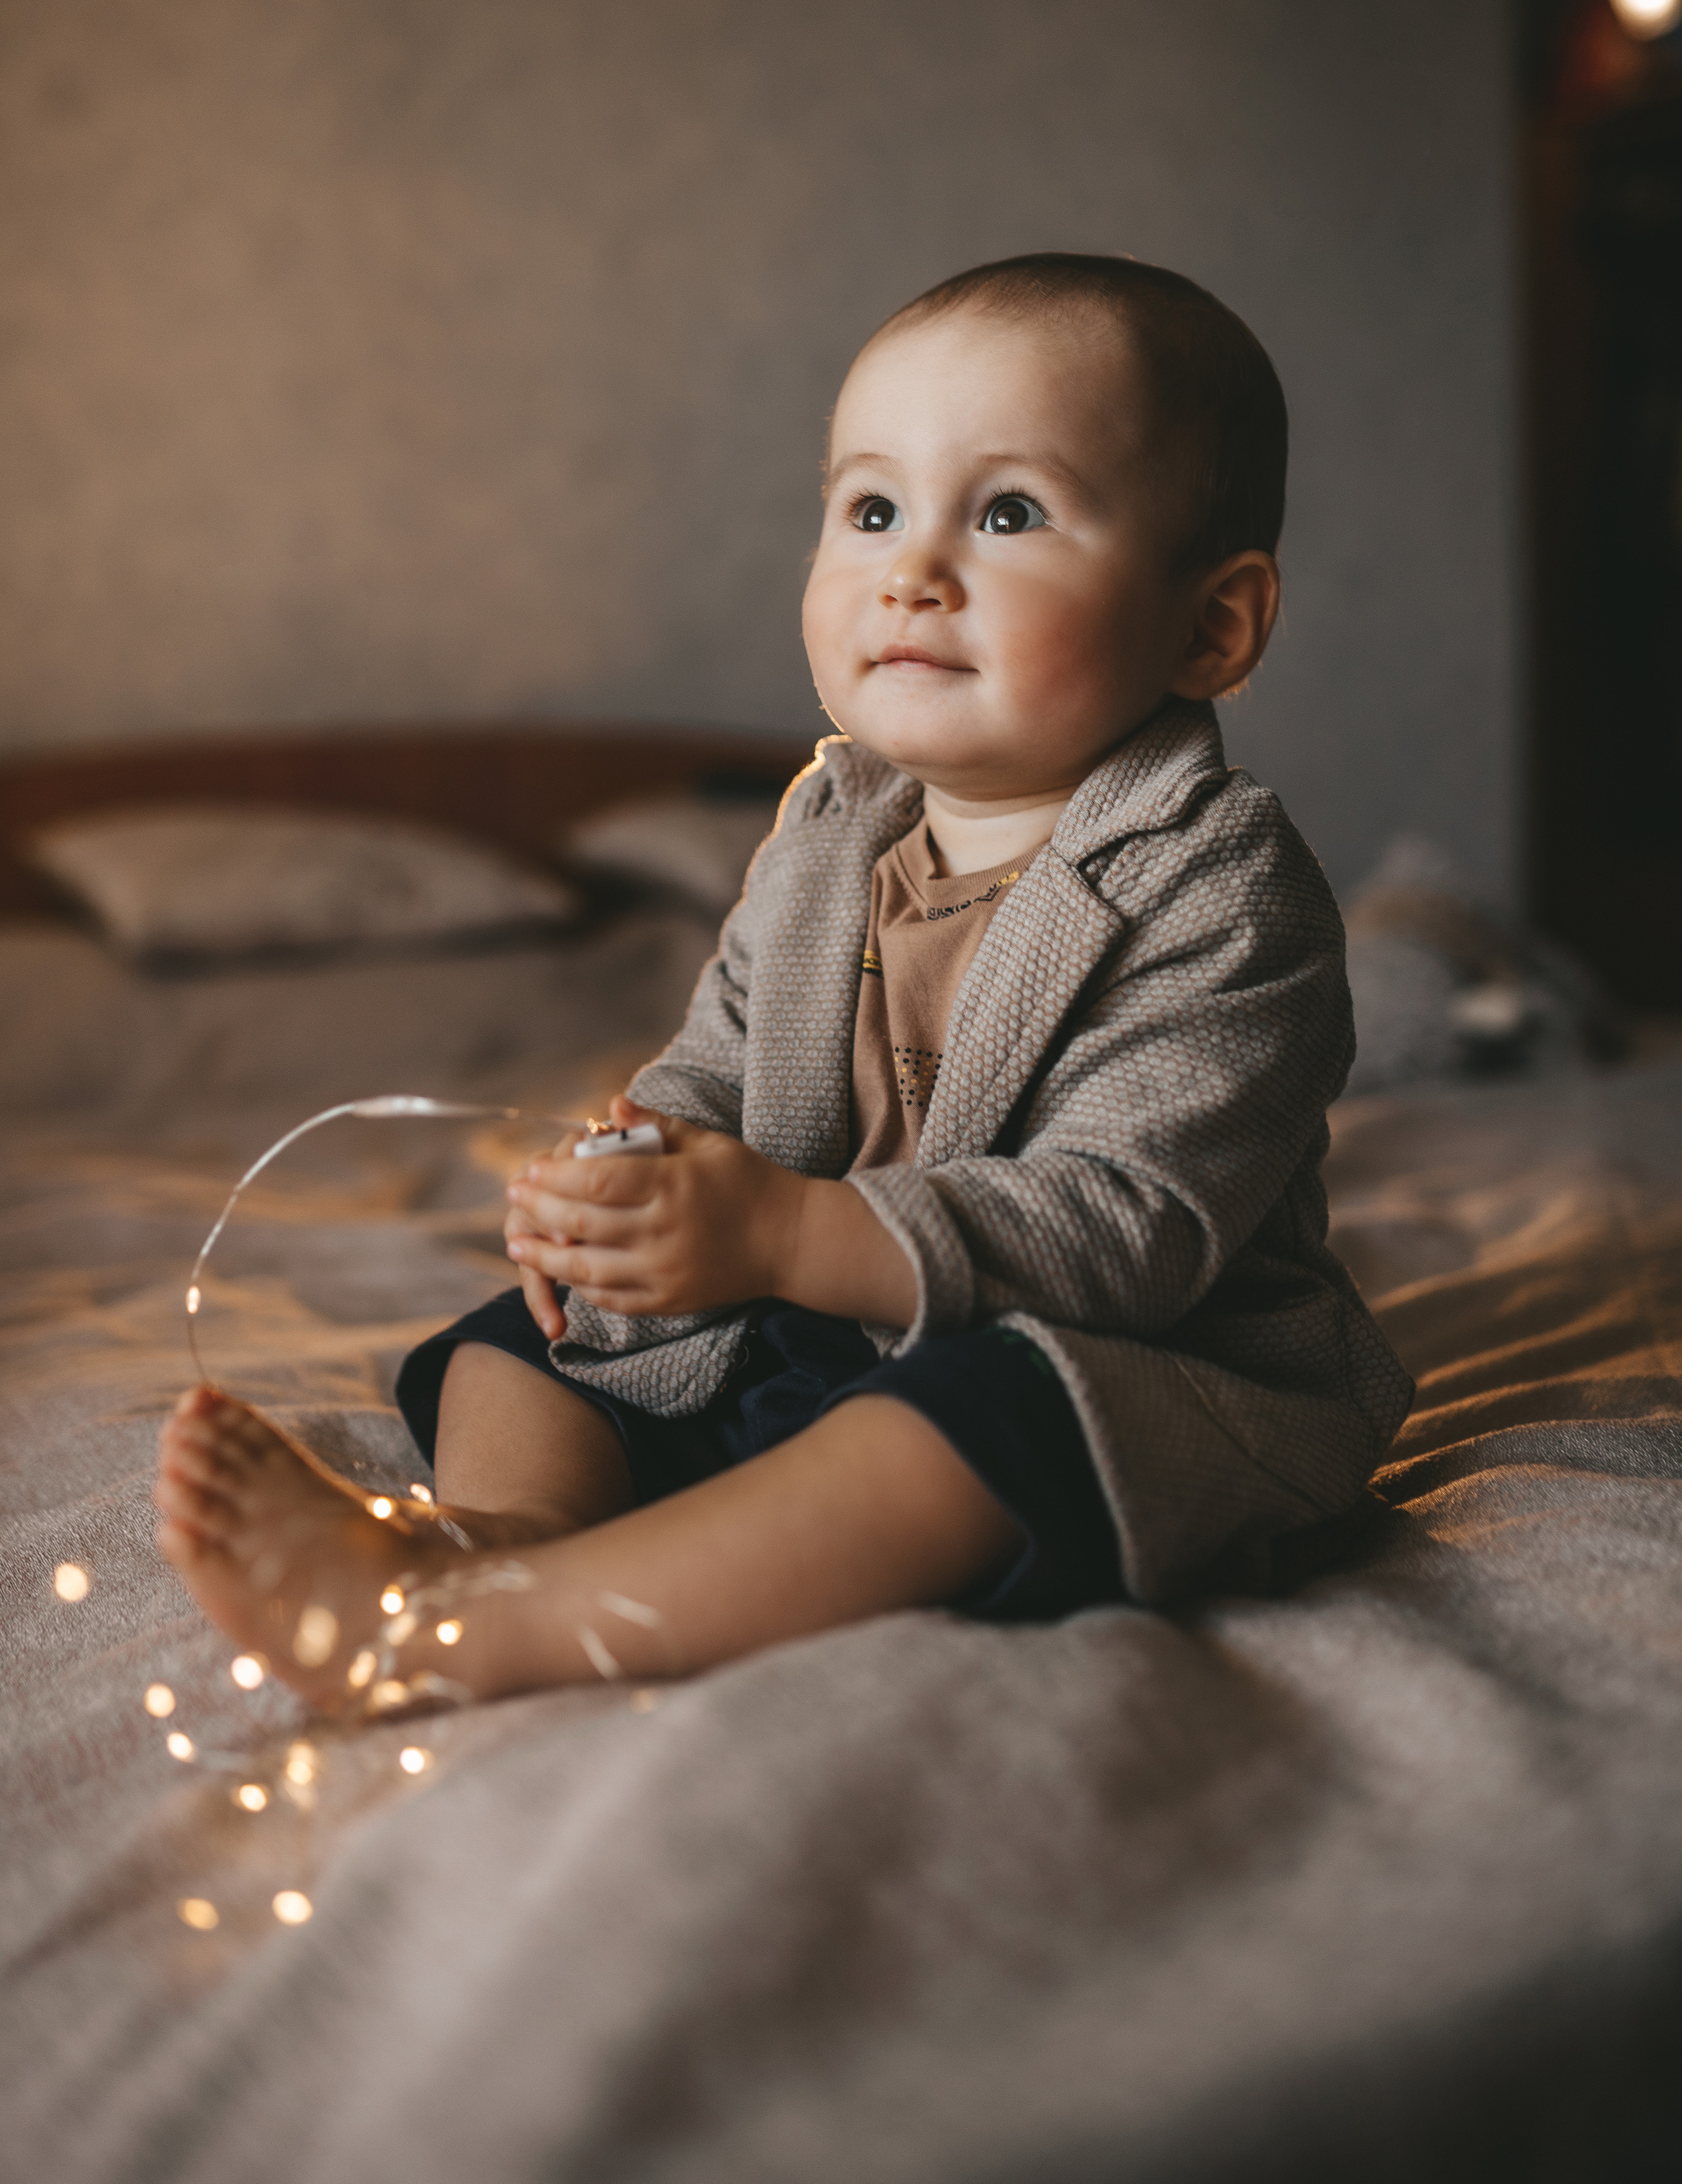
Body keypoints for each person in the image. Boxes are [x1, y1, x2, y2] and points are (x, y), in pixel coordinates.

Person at [154, 253, 1411, 1703]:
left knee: (960, 1433)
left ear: (1211, 625)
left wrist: (779, 1236)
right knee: (516, 1348)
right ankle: (504, 1539)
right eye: (869, 507)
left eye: (1006, 512)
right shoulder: (828, 829)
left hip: (1125, 1361)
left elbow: (1125, 1234)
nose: (912, 568)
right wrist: (627, 1181)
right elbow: (723, 1058)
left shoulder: (1220, 883)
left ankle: (491, 1630)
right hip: (807, 1307)